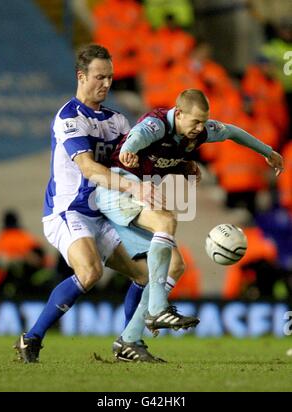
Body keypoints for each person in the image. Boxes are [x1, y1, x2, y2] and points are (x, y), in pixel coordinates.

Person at [14, 44, 197, 364]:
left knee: (146, 274)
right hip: (69, 211)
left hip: (105, 214)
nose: (106, 84)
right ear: (81, 76)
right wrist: (130, 186)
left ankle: (129, 342)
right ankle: (32, 339)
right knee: (90, 272)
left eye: (110, 77)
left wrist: (179, 165)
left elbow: (137, 162)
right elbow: (88, 168)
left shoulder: (118, 121)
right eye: (99, 77)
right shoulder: (69, 117)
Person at [95, 88, 284, 358]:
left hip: (135, 194)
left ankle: (129, 340)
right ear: (179, 113)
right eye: (195, 121)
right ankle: (157, 309)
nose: (200, 127)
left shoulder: (202, 130)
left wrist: (267, 152)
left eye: (204, 121)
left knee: (176, 265)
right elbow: (138, 135)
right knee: (166, 218)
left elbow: (232, 132)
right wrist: (128, 150)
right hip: (115, 187)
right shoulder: (156, 123)